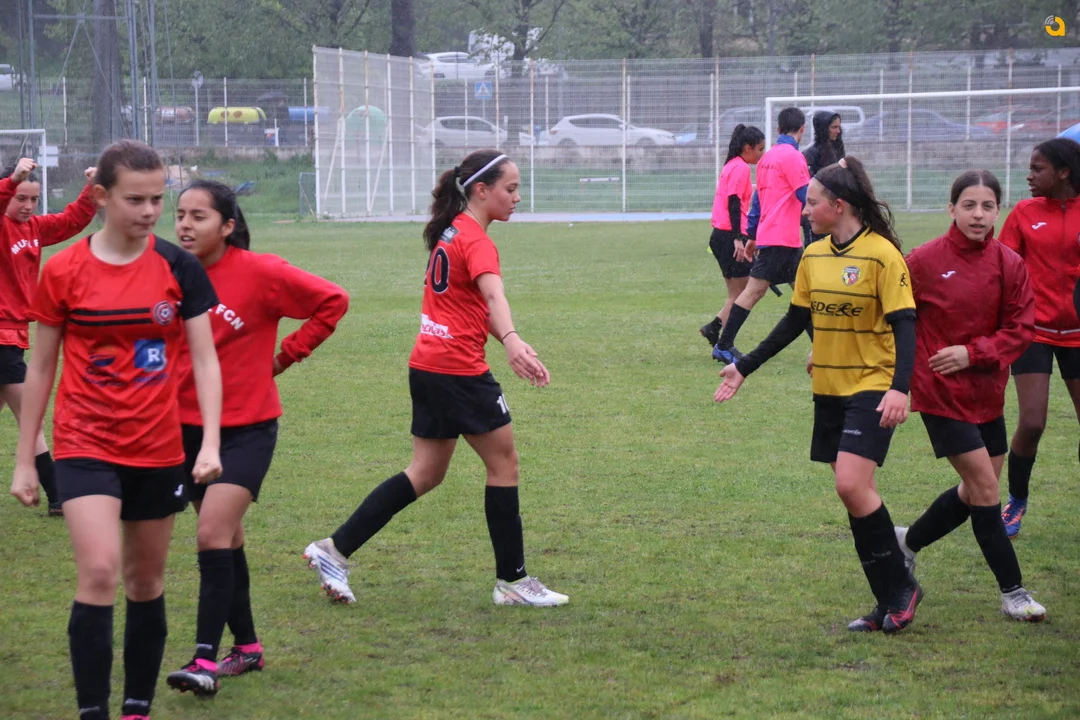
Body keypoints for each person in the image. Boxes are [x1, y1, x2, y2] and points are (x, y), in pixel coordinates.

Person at [8, 139, 223, 720]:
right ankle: (93, 711)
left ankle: (136, 708)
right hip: (85, 444)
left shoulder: (179, 267)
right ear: (101, 196)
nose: (150, 211)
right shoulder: (63, 270)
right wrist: (26, 459)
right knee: (100, 570)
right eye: (135, 199)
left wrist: (209, 443)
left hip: (158, 448)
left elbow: (205, 360)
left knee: (145, 581)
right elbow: (41, 367)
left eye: (157, 199)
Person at [303, 149, 568, 608]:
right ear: (481, 190)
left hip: (427, 366)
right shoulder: (476, 240)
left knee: (425, 473)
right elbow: (493, 296)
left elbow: (470, 304)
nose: (517, 197)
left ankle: (333, 550)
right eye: (510, 189)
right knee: (504, 466)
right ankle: (512, 581)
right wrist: (511, 339)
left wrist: (509, 338)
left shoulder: (452, 231)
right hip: (458, 371)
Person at [714, 157, 922, 634]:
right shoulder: (813, 257)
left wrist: (899, 388)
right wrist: (744, 367)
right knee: (856, 494)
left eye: (811, 203)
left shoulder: (883, 256)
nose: (805, 211)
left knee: (850, 485)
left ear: (839, 205)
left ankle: (899, 590)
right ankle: (891, 596)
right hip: (828, 387)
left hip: (872, 385)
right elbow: (794, 322)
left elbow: (906, 326)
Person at [165, 181, 349, 697]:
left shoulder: (261, 271)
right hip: (184, 427)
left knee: (210, 535)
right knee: (227, 539)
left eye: (199, 216)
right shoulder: (169, 272)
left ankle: (203, 660)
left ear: (227, 226)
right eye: (180, 214)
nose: (185, 225)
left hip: (247, 429)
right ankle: (246, 647)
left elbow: (333, 301)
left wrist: (285, 356)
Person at [896, 170, 1046, 623]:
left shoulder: (1009, 264)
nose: (978, 215)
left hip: (987, 393)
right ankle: (1013, 592)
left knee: (973, 490)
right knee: (985, 489)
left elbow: (1020, 329)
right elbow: (890, 313)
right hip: (939, 392)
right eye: (968, 205)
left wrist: (973, 353)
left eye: (987, 206)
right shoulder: (922, 261)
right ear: (952, 209)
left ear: (998, 210)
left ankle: (906, 543)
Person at [0, 158, 98, 516]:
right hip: (2, 340)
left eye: (33, 199)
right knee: (30, 414)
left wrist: (93, 188)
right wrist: (12, 180)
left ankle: (58, 495)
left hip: (14, 335)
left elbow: (73, 219)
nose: (27, 206)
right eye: (20, 198)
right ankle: (59, 495)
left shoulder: (34, 228)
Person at [996, 138, 1080, 538]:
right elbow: (1001, 267)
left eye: (1038, 168)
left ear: (1063, 172)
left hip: (1078, 334)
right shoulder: (1024, 213)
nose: (1029, 176)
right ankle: (1016, 500)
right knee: (1032, 422)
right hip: (1034, 332)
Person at [713, 107, 811, 364]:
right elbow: (805, 195)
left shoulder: (767, 158)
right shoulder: (793, 157)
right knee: (755, 291)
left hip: (776, 236)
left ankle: (823, 347)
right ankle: (723, 345)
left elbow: (757, 201)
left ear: (778, 129)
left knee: (802, 292)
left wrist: (753, 234)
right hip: (782, 238)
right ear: (802, 129)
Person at [699, 124, 765, 348]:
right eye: (759, 149)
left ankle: (715, 329)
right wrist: (738, 238)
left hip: (721, 236)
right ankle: (724, 342)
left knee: (739, 293)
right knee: (749, 292)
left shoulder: (731, 165)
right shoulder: (740, 168)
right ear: (747, 148)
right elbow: (734, 202)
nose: (761, 154)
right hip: (730, 237)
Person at [802, 112, 845, 246]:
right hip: (817, 211)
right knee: (816, 247)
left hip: (835, 209)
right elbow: (807, 187)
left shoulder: (837, 149)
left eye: (839, 127)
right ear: (823, 128)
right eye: (834, 127)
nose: (838, 131)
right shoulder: (811, 153)